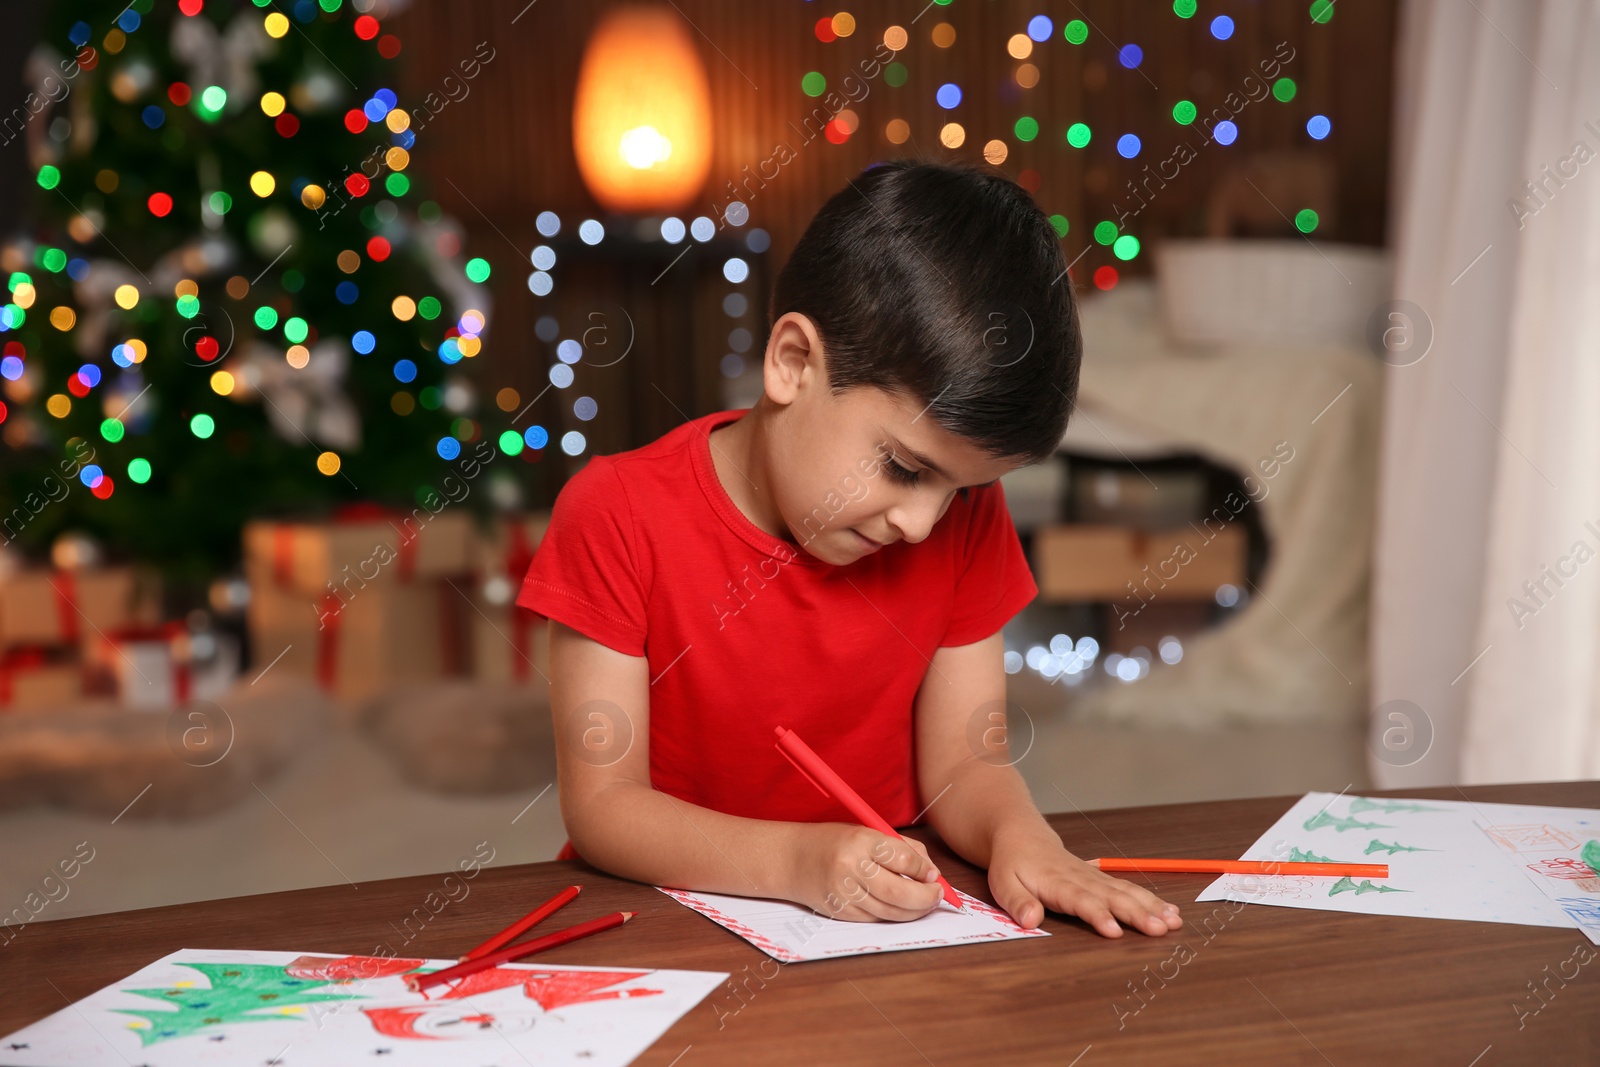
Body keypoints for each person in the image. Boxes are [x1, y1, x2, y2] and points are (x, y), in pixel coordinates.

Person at [518, 158, 1182, 938]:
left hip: (884, 918)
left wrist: (1021, 837)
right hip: (668, 922)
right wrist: (797, 863)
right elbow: (603, 806)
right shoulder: (617, 513)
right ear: (793, 363)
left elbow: (965, 763)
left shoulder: (964, 516)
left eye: (960, 489)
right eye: (904, 467)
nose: (923, 525)